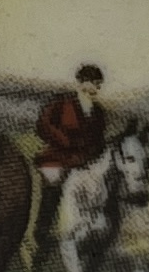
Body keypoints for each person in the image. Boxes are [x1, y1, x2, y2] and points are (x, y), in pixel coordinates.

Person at [33, 65, 107, 256]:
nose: (96, 89)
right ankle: (42, 234)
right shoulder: (61, 104)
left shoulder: (98, 112)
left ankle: (85, 235)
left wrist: (90, 156)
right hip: (56, 157)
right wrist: (66, 141)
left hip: (84, 162)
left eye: (99, 85)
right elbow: (43, 126)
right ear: (81, 83)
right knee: (54, 183)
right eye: (93, 83)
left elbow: (99, 141)